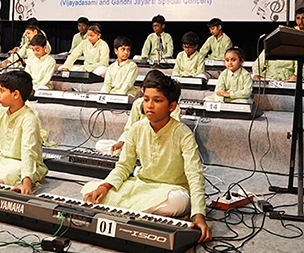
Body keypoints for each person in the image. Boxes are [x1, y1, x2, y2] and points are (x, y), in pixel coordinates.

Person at [82, 73, 211, 241]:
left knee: (178, 202)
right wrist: (105, 186)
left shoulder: (183, 133)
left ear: (172, 106)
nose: (149, 106)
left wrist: (199, 215)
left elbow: (195, 176)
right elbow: (124, 166)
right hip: (142, 186)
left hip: (171, 190)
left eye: (157, 101)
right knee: (91, 189)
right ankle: (142, 212)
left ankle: (126, 210)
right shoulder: (137, 128)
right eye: (146, 99)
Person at [107, 69, 180, 155]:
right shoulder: (138, 103)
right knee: (103, 146)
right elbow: (130, 128)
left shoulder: (170, 106)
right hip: (138, 144)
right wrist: (122, 141)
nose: (149, 105)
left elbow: (173, 133)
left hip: (161, 148)